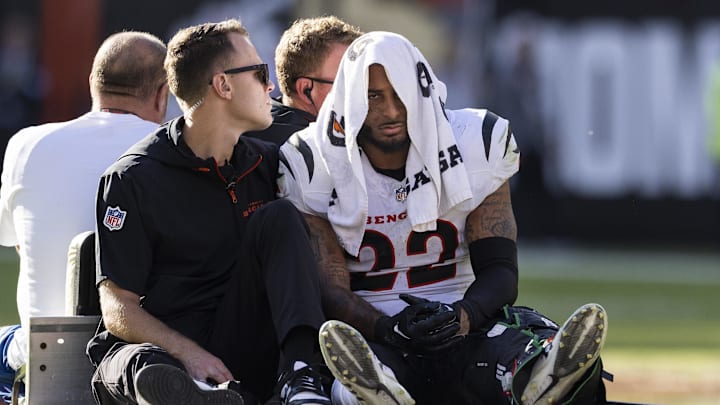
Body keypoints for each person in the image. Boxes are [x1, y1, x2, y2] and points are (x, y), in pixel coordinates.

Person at [278, 31, 610, 404]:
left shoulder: (476, 142)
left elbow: (500, 269)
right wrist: (388, 328)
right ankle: (367, 391)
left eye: (401, 93)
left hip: (468, 325)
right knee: (357, 372)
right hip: (372, 332)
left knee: (511, 353)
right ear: (350, 99)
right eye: (373, 96)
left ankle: (537, 373)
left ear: (421, 91)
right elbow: (330, 289)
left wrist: (461, 317)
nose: (390, 111)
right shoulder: (313, 160)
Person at [86, 19, 332, 405]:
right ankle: (195, 394)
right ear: (223, 85)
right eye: (259, 73)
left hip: (239, 347)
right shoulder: (133, 178)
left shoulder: (271, 164)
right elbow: (118, 309)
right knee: (138, 366)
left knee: (282, 216)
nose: (270, 86)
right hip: (166, 346)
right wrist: (187, 353)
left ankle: (300, 377)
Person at [0, 31, 169, 404]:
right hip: (143, 355)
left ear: (92, 83)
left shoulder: (25, 145)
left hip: (43, 357)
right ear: (162, 93)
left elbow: (16, 241)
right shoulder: (174, 154)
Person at [245, 15, 362, 145]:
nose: (360, 91)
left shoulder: (255, 128)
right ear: (306, 89)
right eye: (345, 82)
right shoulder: (291, 150)